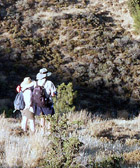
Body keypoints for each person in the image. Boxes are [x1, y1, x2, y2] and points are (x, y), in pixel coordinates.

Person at [33, 68, 56, 134]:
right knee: (50, 119)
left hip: (38, 103)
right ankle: (49, 133)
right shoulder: (49, 83)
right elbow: (53, 93)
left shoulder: (36, 83)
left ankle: (42, 132)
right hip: (47, 103)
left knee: (42, 118)